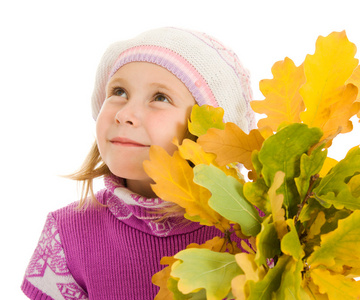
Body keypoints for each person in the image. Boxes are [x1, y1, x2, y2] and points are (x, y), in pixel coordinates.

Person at [21, 27, 255, 300]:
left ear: (204, 133)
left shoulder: (259, 231)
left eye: (160, 98)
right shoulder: (66, 235)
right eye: (119, 91)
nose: (124, 113)